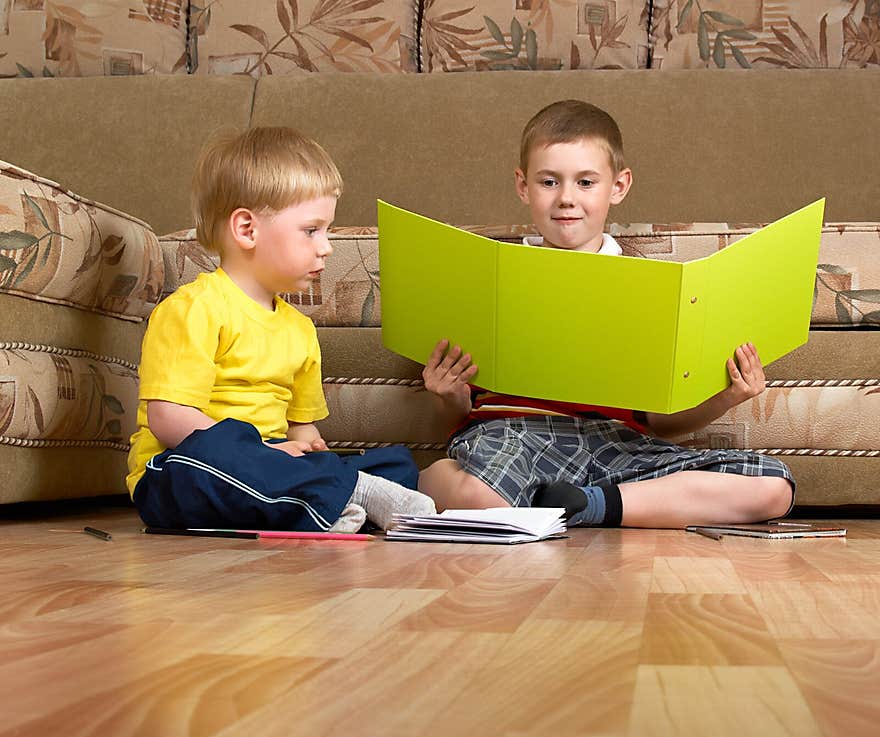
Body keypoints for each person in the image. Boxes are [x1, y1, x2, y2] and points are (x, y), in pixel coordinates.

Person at [417, 99, 794, 529]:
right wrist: (448, 395)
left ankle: (587, 505)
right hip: (513, 435)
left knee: (772, 486)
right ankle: (545, 506)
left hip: (619, 445)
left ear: (618, 186)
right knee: (466, 489)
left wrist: (728, 395)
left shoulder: (648, 287)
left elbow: (660, 423)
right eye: (548, 182)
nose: (566, 199)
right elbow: (453, 419)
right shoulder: (490, 277)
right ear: (523, 186)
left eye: (585, 182)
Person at [126, 126, 435, 533]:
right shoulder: (191, 309)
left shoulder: (299, 329)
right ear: (247, 230)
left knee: (393, 463)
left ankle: (324, 498)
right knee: (219, 458)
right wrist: (262, 453)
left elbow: (300, 426)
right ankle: (332, 498)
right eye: (312, 230)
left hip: (267, 460)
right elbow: (168, 420)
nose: (326, 246)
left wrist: (308, 448)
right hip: (177, 469)